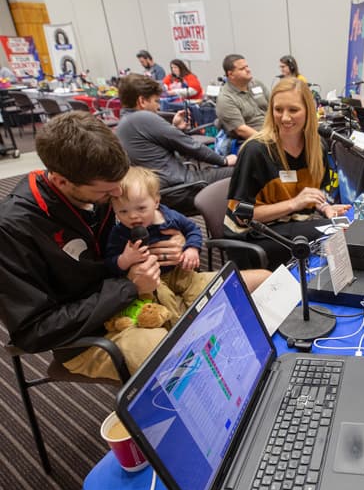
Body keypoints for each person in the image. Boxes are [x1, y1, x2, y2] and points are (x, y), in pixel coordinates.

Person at [0, 112, 178, 380]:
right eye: (105, 191)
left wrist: (170, 240)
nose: (118, 195)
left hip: (139, 297)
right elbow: (34, 332)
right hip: (86, 336)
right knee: (178, 361)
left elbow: (134, 224)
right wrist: (127, 287)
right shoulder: (13, 229)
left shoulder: (101, 190)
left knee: (237, 290)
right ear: (61, 181)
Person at [224, 77, 350, 270]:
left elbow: (315, 193)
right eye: (278, 110)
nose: (284, 117)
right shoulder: (256, 151)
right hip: (255, 234)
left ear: (309, 111)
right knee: (336, 235)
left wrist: (325, 208)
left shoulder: (317, 147)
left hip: (293, 224)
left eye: (293, 110)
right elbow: (241, 217)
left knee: (345, 227)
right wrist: (293, 204)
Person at [105, 167, 268, 312]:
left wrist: (191, 248)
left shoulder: (169, 217)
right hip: (154, 279)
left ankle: (203, 313)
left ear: (156, 202)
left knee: (198, 290)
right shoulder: (120, 232)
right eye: (123, 212)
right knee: (163, 301)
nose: (133, 216)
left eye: (141, 208)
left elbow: (193, 229)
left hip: (180, 270)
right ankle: (177, 325)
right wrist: (124, 260)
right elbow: (111, 262)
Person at [116, 74, 235, 213]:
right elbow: (190, 146)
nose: (158, 106)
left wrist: (175, 128)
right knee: (241, 173)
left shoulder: (124, 123)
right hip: (180, 189)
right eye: (156, 101)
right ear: (142, 101)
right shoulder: (142, 117)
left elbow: (165, 145)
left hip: (163, 189)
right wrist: (224, 160)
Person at [216, 53, 269, 140]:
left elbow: (274, 106)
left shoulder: (257, 84)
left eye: (247, 66)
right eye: (242, 69)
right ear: (231, 74)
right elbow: (241, 130)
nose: (248, 70)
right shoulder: (225, 98)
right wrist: (268, 140)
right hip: (253, 140)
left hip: (273, 130)